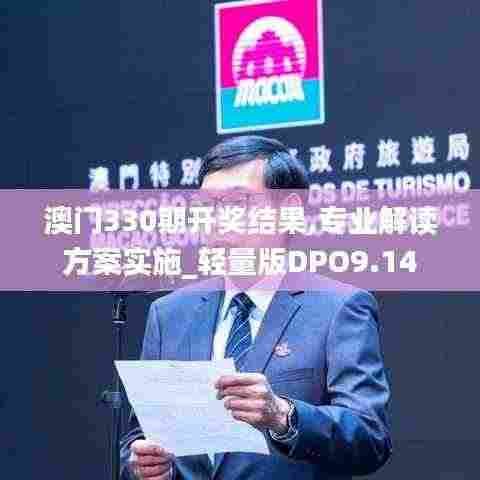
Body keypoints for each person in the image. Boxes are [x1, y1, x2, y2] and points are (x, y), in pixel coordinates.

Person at [120, 135, 393, 480]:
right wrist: (144, 467)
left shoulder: (338, 308)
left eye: (236, 203)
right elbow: (138, 437)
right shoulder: (169, 314)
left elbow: (370, 437)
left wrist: (282, 415)